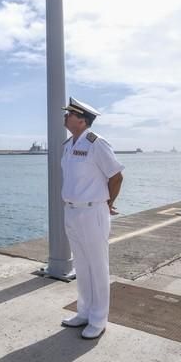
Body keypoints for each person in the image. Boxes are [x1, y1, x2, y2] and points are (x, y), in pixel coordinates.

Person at [59, 97, 124, 340]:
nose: (65, 117)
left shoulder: (97, 143)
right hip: (72, 210)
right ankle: (84, 312)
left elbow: (116, 176)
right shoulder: (68, 145)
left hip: (92, 211)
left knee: (97, 266)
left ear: (82, 119)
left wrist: (108, 204)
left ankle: (98, 319)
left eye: (70, 114)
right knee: (82, 265)